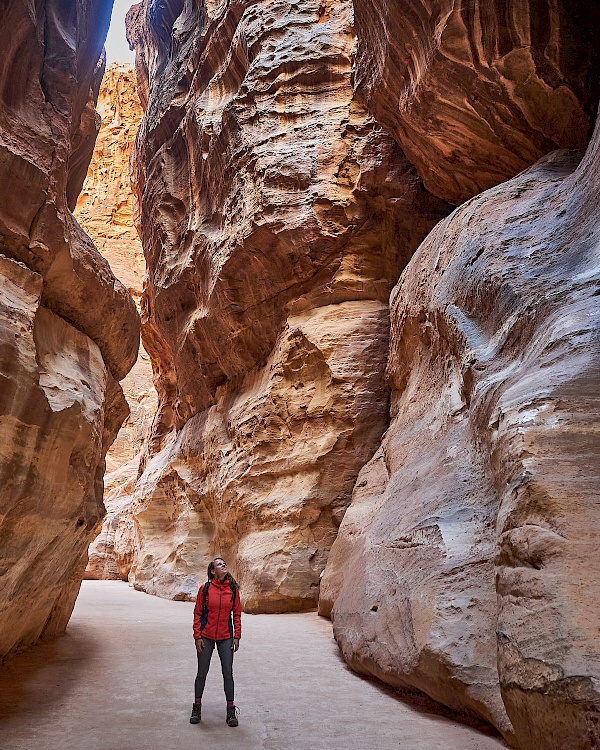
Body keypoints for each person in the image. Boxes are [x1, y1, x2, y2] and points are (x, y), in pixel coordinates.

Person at [190, 557, 242, 727]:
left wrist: (237, 636)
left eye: (224, 563)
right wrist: (197, 636)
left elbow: (237, 614)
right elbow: (197, 613)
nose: (223, 565)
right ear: (213, 571)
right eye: (219, 564)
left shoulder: (233, 590)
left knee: (228, 673)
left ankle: (231, 710)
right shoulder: (205, 589)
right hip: (206, 636)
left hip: (226, 637)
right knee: (201, 673)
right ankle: (196, 707)